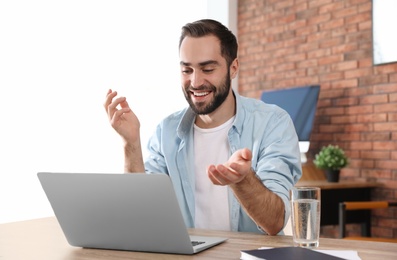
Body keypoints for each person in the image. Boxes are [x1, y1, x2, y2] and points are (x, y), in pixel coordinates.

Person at [104, 19, 302, 235]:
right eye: (186, 70)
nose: (196, 82)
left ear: (233, 68)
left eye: (207, 69)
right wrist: (131, 143)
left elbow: (275, 222)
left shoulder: (273, 124)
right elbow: (141, 214)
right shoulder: (166, 132)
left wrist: (243, 181)